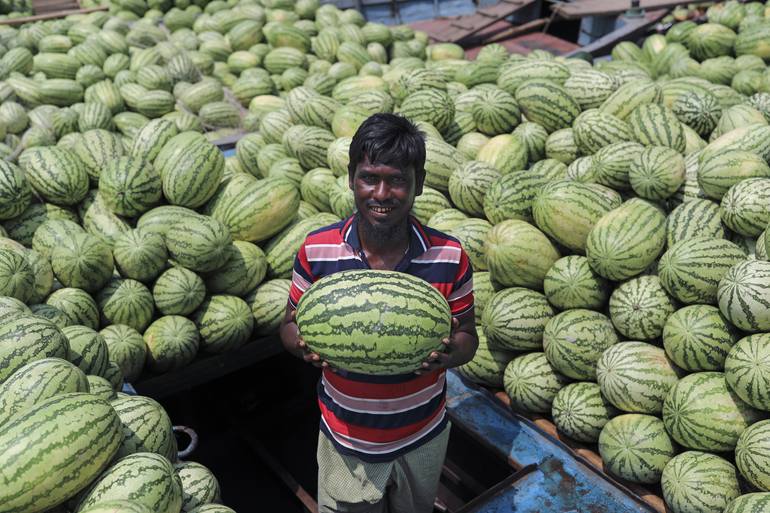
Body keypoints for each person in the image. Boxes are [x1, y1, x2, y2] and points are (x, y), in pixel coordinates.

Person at [279, 112, 479, 513]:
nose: (382, 193)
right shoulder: (318, 250)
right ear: (352, 178)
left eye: (398, 180)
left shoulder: (450, 255)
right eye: (370, 178)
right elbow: (287, 323)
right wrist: (301, 345)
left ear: (418, 183)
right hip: (346, 441)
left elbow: (468, 338)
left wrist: (449, 354)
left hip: (422, 436)